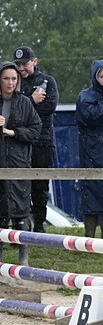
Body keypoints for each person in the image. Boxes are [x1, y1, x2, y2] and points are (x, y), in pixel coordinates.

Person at [0, 62, 42, 265]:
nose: (10, 83)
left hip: (18, 162)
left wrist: (14, 132)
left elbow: (36, 130)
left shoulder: (25, 102)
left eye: (14, 79)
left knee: (21, 210)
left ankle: (23, 256)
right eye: (6, 78)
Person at [14, 47, 58, 233]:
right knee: (19, 187)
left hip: (42, 141)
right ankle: (20, 227)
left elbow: (48, 107)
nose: (21, 67)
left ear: (35, 61)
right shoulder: (13, 82)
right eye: (18, 64)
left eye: (25, 63)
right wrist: (31, 101)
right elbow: (13, 114)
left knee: (40, 187)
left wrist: (24, 106)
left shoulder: (47, 81)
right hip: (18, 143)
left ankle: (39, 226)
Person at [76, 60, 103, 240]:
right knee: (91, 191)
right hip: (91, 149)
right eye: (102, 76)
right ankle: (89, 237)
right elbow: (90, 117)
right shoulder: (85, 96)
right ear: (95, 76)